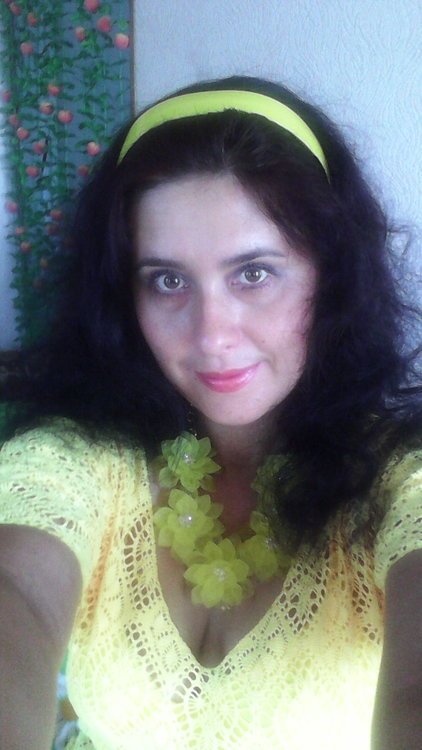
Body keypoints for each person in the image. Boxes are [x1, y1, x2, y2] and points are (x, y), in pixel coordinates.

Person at [0, 76, 421, 750]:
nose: (211, 336)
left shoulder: (398, 483)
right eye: (167, 281)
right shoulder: (77, 459)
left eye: (253, 273)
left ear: (332, 277)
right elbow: (16, 590)